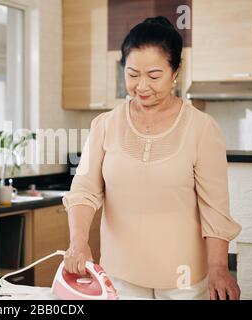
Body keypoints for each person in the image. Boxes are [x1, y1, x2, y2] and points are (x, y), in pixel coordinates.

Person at [62, 16, 242, 300]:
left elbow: (214, 208)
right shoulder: (104, 125)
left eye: (154, 76)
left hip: (184, 281)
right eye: (132, 75)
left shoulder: (202, 128)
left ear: (176, 71)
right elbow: (83, 191)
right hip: (119, 277)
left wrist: (219, 267)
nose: (142, 86)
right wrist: (78, 242)